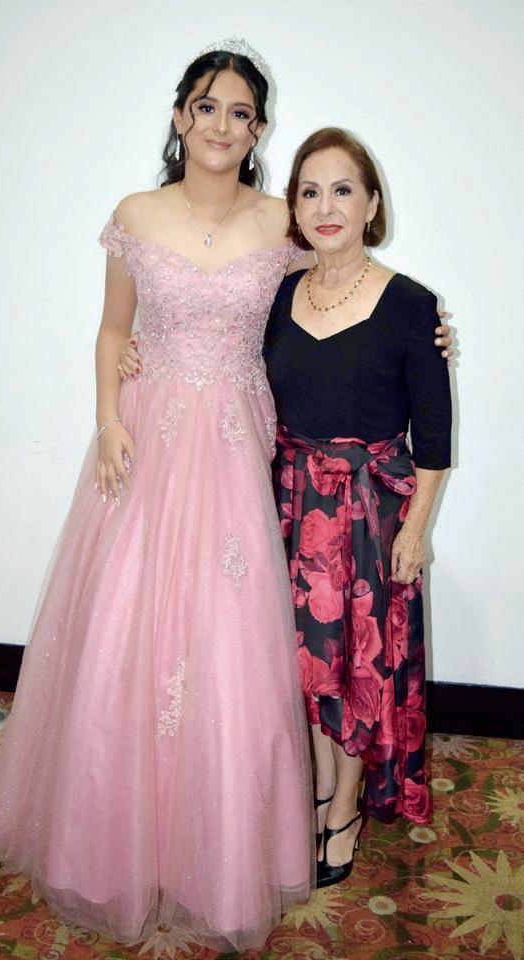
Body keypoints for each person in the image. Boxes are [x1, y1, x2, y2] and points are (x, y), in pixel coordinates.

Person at [0, 41, 316, 952]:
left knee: (228, 634)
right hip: (147, 432)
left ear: (259, 130)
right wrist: (106, 421)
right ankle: (105, 846)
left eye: (240, 112)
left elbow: (333, 300)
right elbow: (110, 329)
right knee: (125, 623)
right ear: (179, 116)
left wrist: (417, 328)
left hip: (234, 439)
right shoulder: (136, 213)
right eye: (206, 106)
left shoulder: (283, 221)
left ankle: (219, 857)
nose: (221, 125)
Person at [262, 127, 452, 887]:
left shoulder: (411, 305)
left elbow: (433, 436)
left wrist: (416, 529)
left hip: (371, 520)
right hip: (286, 508)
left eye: (342, 189)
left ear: (371, 203)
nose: (325, 206)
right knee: (303, 668)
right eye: (309, 192)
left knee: (354, 673)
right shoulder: (277, 295)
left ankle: (343, 809)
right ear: (294, 208)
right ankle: (315, 792)